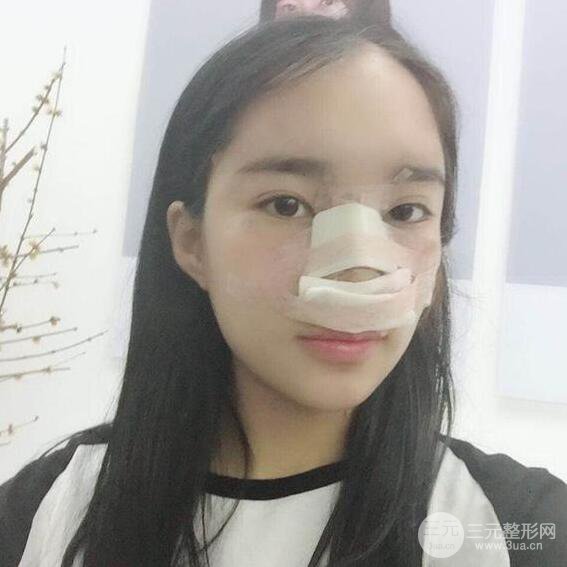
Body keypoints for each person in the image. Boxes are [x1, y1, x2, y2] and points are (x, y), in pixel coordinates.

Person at [1, 15, 566, 567]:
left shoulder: (522, 528)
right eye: (287, 205)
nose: (357, 273)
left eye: (406, 211)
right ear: (192, 241)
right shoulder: (47, 512)